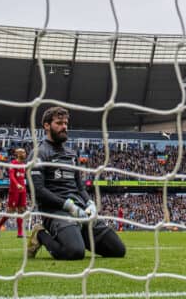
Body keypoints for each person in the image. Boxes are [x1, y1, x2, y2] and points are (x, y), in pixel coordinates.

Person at [26, 106, 126, 260]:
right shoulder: (39, 154)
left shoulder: (72, 155)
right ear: (47, 126)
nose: (64, 127)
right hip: (55, 212)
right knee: (75, 252)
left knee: (118, 250)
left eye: (65, 123)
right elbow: (37, 190)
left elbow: (80, 187)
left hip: (80, 211)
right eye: (59, 123)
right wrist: (68, 206)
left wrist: (89, 203)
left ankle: (77, 234)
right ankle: (40, 234)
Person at [0, 148, 27, 238]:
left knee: (21, 211)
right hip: (14, 191)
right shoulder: (13, 163)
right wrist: (17, 185)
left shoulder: (23, 164)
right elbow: (11, 176)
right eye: (23, 152)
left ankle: (20, 233)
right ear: (18, 154)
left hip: (22, 190)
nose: (25, 154)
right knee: (10, 211)